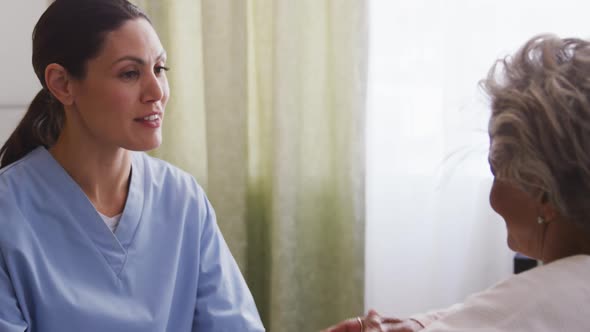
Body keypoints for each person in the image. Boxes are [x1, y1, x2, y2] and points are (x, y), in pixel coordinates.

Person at [0, 0, 264, 331]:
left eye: (160, 69)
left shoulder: (182, 199)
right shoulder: (8, 213)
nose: (157, 92)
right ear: (63, 84)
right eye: (129, 73)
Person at [322, 34, 590, 332]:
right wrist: (418, 323)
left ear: (541, 190)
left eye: (496, 170)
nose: (493, 196)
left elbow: (512, 314)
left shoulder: (536, 302)